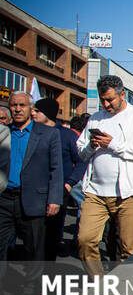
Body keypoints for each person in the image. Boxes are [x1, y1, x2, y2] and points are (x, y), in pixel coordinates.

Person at [76, 75, 133, 278]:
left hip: (129, 194)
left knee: (129, 248)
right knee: (85, 240)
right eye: (102, 100)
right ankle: (99, 283)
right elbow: (81, 152)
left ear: (122, 95)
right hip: (95, 192)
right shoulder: (95, 118)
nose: (106, 104)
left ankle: (125, 288)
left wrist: (113, 144)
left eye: (110, 99)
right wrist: (91, 145)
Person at [0, 91, 62, 295]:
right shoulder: (4, 132)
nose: (17, 109)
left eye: (22, 105)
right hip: (4, 199)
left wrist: (54, 199)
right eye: (14, 105)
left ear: (30, 108)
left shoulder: (48, 134)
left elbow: (56, 169)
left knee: (33, 250)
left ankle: (29, 292)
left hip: (34, 200)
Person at [32, 98, 80, 260]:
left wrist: (70, 183)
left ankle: (48, 265)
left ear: (47, 113)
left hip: (59, 190)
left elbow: (81, 161)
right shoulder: (31, 132)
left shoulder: (67, 135)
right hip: (34, 190)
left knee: (52, 232)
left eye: (37, 111)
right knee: (33, 232)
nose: (33, 113)